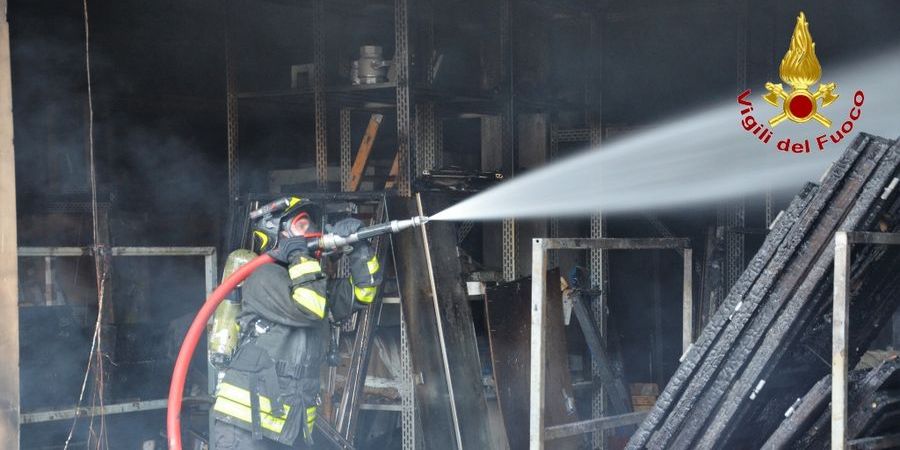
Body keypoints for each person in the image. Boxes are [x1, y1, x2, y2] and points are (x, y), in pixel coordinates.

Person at [210, 197, 382, 449]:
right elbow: (308, 309)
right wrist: (301, 254)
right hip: (246, 423)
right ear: (276, 231)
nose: (312, 231)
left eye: (313, 224)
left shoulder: (309, 282)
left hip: (288, 425)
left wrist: (360, 247)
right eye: (302, 225)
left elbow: (363, 292)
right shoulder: (263, 277)